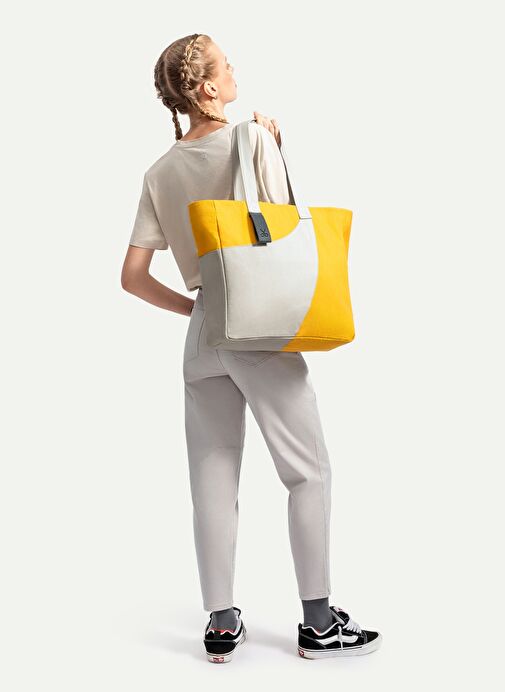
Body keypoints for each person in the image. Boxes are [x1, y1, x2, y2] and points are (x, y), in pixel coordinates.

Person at [121, 33, 382, 663]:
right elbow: (280, 234)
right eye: (226, 65)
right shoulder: (251, 137)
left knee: (212, 478)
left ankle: (220, 623)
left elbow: (132, 277)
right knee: (307, 471)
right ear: (207, 87)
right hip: (257, 329)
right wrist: (276, 147)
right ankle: (319, 625)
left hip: (202, 337)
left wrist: (197, 311)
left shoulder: (159, 171)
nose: (235, 71)